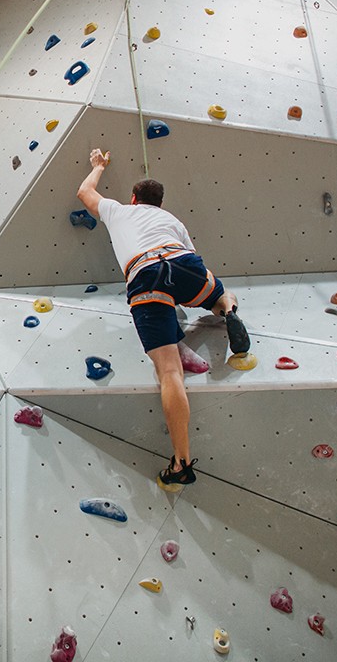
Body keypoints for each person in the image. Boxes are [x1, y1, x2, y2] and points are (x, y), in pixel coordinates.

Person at [76, 148, 250, 492]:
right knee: (219, 292)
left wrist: (98, 167)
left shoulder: (119, 210)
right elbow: (193, 256)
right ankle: (226, 310)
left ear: (133, 198)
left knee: (169, 371)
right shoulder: (173, 221)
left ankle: (181, 462)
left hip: (145, 274)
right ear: (159, 203)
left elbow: (85, 193)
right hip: (183, 261)